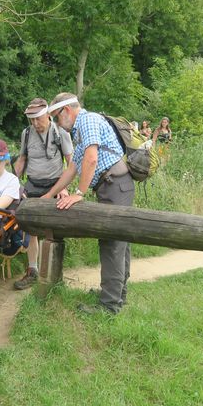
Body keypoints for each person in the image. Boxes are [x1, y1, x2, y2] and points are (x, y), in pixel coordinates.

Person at [42, 92, 135, 315]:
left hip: (115, 186)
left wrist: (79, 193)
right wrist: (49, 195)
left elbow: (91, 159)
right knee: (118, 242)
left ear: (66, 111)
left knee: (112, 244)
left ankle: (109, 305)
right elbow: (72, 169)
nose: (57, 124)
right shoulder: (80, 131)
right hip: (113, 186)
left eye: (55, 117)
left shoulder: (87, 120)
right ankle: (116, 294)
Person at [12, 98, 73, 290]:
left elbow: (71, 163)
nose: (35, 123)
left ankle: (53, 273)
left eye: (38, 119)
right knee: (31, 230)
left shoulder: (60, 133)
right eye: (31, 120)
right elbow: (21, 159)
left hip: (55, 185)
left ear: (48, 114)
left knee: (52, 230)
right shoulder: (27, 133)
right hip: (32, 185)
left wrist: (63, 187)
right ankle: (33, 270)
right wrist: (14, 183)